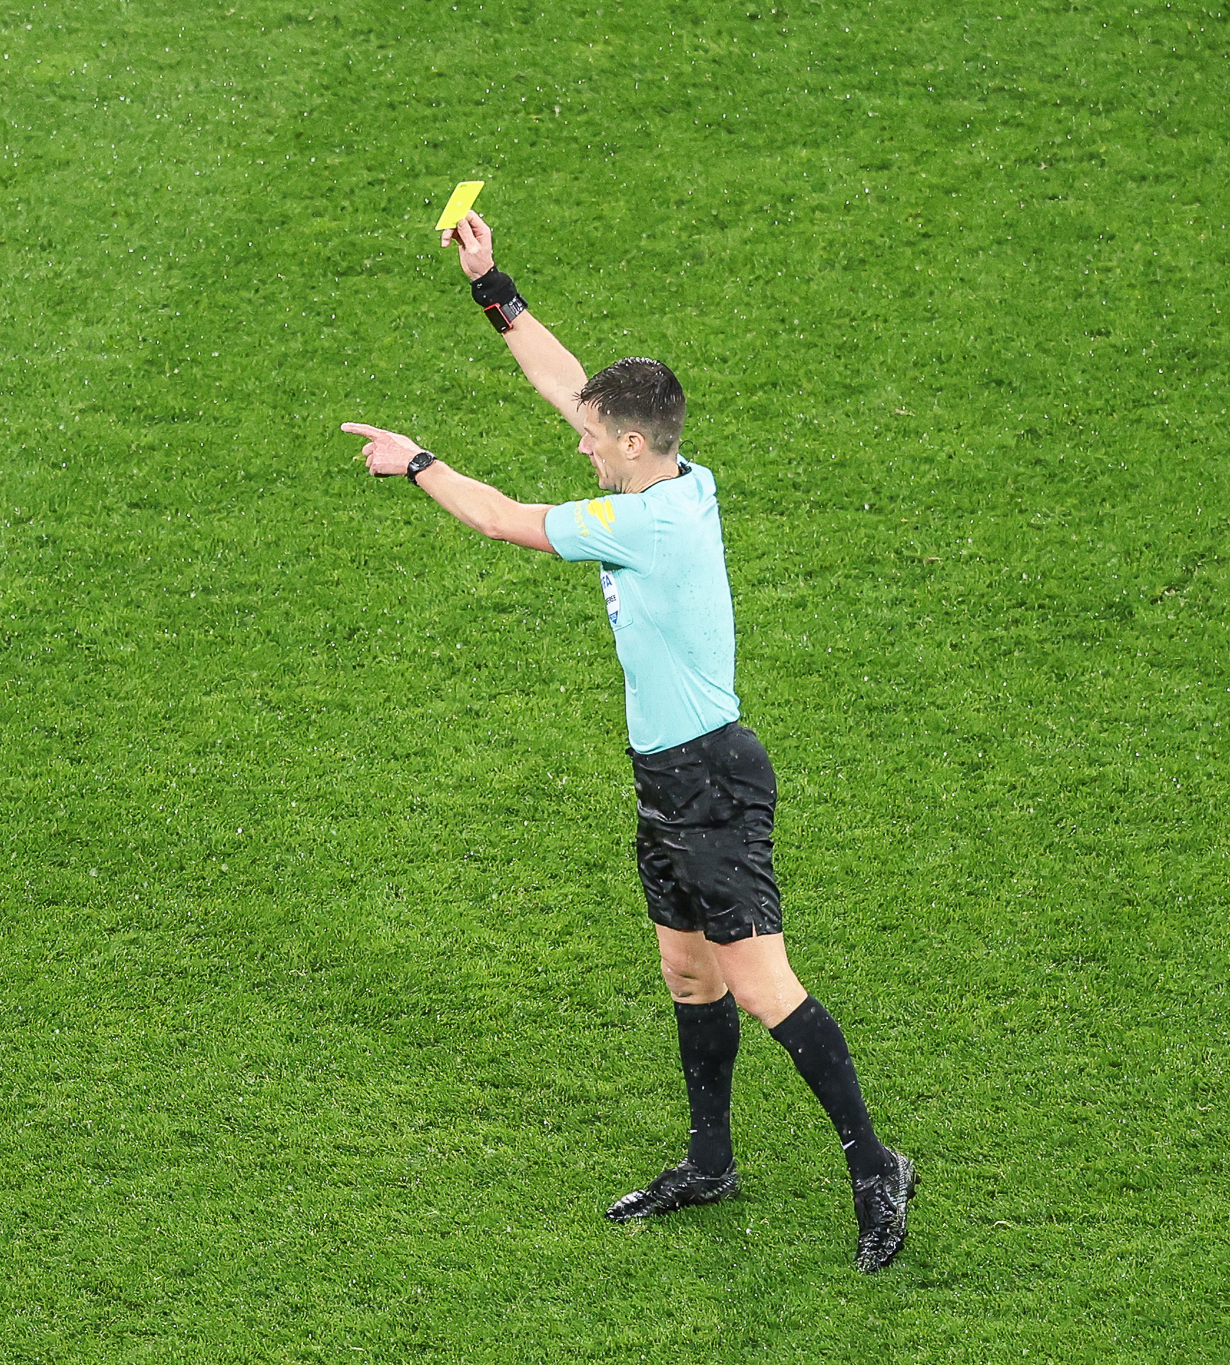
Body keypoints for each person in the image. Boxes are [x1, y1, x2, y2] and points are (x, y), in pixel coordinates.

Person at [340, 211, 917, 1272]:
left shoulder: (644, 524)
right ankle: (710, 1163)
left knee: (763, 988)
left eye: (595, 437)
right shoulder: (678, 475)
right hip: (665, 777)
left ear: (635, 445)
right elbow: (571, 386)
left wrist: (416, 461)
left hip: (712, 784)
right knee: (689, 977)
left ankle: (877, 1165)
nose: (581, 441)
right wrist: (492, 287)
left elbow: (503, 518)